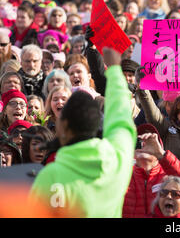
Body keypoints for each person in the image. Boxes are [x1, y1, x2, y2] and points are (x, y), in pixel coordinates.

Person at [30, 48, 137, 217]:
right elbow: (121, 120)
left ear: (62, 128)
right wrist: (115, 70)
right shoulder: (117, 161)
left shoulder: (50, 177)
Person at [123, 124, 180, 218]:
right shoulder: (123, 173)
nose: (143, 145)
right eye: (138, 141)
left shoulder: (169, 172)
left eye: (149, 142)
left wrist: (161, 154)